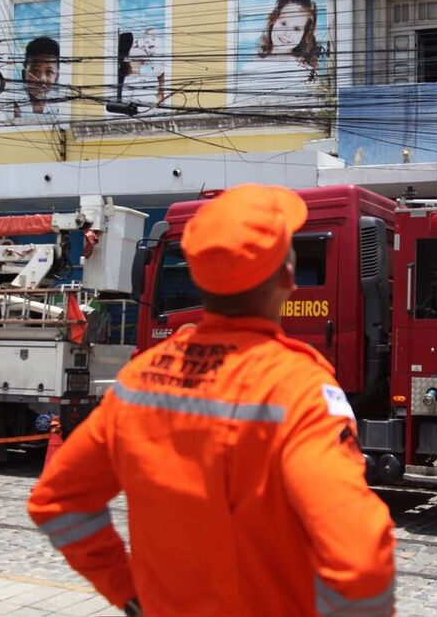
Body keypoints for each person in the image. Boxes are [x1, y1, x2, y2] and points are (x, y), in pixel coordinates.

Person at [27, 184, 395, 616]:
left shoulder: (140, 381)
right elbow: (359, 556)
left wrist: (129, 592)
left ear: (199, 279)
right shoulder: (296, 388)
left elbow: (58, 502)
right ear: (287, 280)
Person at [238, 0, 322, 105]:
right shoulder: (252, 67)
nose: (287, 33)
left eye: (296, 29)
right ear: (274, 20)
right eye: (283, 23)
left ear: (304, 35)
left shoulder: (303, 71)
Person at [117, 29, 165, 115]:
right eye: (136, 44)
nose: (143, 45)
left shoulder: (146, 76)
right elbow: (157, 104)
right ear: (127, 57)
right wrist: (161, 84)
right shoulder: (130, 84)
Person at [15, 36, 60, 117]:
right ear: (23, 74)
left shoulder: (60, 105)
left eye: (49, 72)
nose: (41, 79)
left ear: (56, 77)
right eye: (35, 71)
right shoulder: (13, 104)